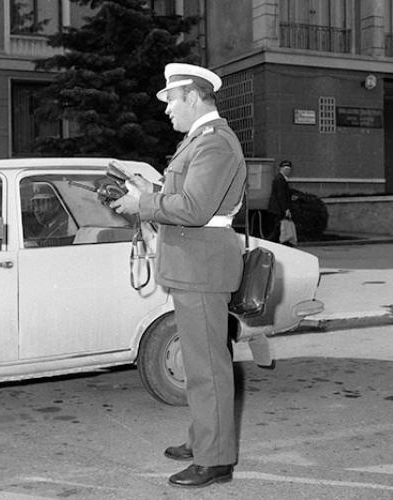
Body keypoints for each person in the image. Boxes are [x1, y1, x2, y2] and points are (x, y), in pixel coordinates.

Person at [109, 63, 246, 488]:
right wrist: (143, 193)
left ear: (192, 96)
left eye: (171, 101)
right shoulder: (198, 142)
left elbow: (193, 208)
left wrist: (143, 205)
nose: (167, 110)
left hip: (202, 266)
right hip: (194, 265)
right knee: (200, 361)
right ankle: (206, 437)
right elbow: (182, 198)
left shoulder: (214, 144)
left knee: (206, 366)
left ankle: (215, 459)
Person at [265, 160, 293, 244]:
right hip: (278, 209)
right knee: (277, 229)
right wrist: (286, 209)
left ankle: (273, 243)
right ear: (281, 169)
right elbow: (281, 195)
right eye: (286, 169)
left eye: (289, 169)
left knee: (277, 229)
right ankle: (270, 244)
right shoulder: (280, 179)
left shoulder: (280, 178)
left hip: (276, 208)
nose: (288, 171)